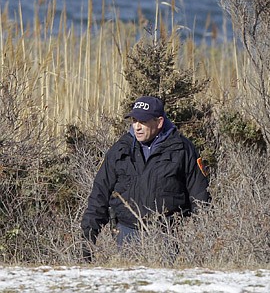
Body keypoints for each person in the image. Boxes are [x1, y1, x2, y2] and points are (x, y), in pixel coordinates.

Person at [81, 96, 210, 260]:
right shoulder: (120, 149)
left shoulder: (182, 149)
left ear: (159, 122)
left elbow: (200, 198)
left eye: (143, 121)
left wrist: (202, 240)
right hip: (126, 234)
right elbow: (99, 194)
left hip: (169, 235)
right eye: (134, 121)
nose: (137, 127)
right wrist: (88, 239)